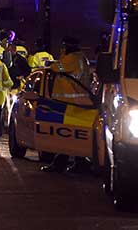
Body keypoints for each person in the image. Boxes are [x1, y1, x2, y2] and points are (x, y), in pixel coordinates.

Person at [42, 37, 93, 173]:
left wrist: (52, 62)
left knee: (66, 135)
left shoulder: (72, 58)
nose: (62, 49)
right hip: (76, 101)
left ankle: (62, 164)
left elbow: (55, 67)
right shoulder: (80, 58)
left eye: (64, 47)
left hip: (70, 103)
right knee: (72, 135)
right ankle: (76, 163)